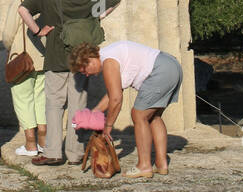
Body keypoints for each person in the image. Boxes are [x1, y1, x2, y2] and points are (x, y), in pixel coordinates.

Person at [18, 0, 120, 166]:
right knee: (78, 105)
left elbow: (23, 10)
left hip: (55, 55)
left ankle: (53, 152)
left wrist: (38, 30)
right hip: (81, 59)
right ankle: (75, 153)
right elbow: (112, 2)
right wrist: (96, 18)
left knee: (54, 105)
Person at [69, 40, 183, 179]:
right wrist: (94, 113)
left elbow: (116, 99)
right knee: (153, 117)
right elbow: (113, 94)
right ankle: (161, 164)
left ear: (89, 60)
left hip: (159, 71)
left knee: (138, 115)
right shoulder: (111, 55)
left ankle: (144, 166)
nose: (87, 75)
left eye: (84, 70)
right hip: (171, 66)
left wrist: (108, 126)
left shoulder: (108, 61)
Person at [0, 0, 47, 156]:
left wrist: (7, 48)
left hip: (23, 58)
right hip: (44, 58)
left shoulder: (18, 2)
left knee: (23, 99)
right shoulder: (45, 1)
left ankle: (30, 143)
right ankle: (44, 140)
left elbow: (8, 34)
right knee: (41, 99)